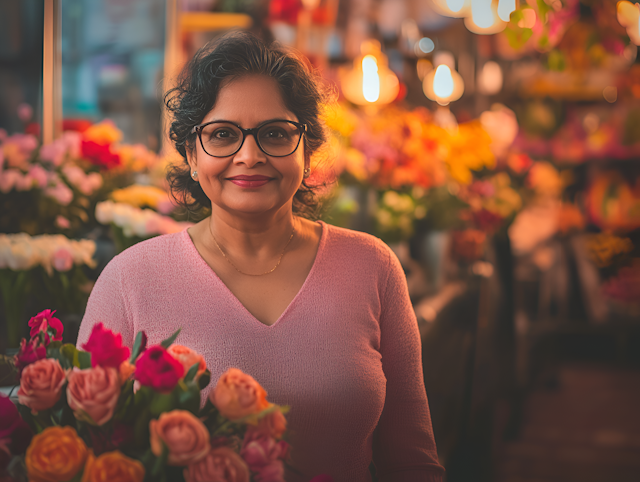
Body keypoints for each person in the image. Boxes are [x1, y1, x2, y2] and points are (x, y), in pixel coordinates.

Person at [77, 32, 444, 482]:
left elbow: (412, 462)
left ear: (307, 151)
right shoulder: (130, 280)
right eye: (222, 134)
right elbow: (91, 457)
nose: (249, 155)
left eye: (274, 133)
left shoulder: (372, 267)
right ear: (192, 154)